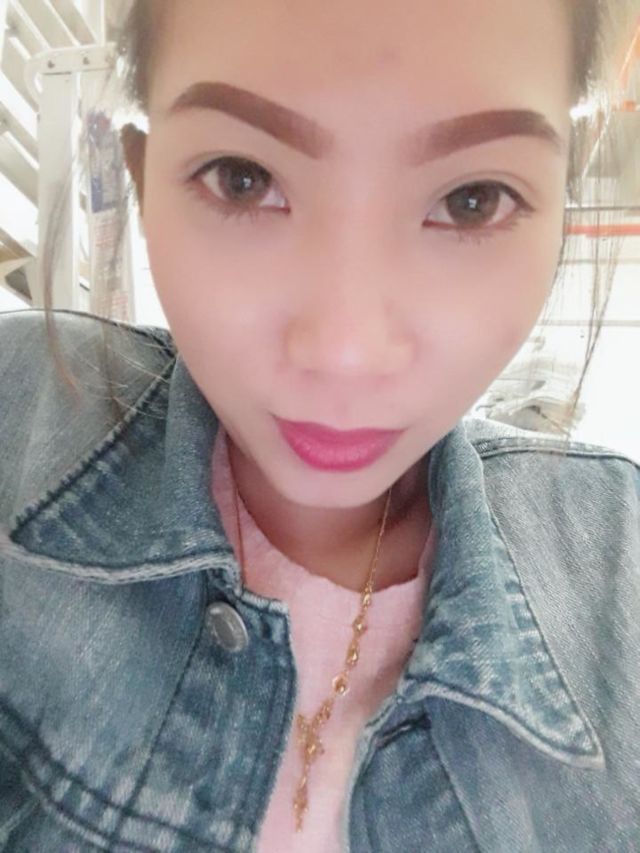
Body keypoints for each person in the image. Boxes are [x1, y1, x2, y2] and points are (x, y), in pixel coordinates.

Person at [0, 1, 638, 850]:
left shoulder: (620, 569)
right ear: (144, 180)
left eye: (471, 201)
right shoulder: (17, 421)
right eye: (242, 178)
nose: (346, 352)